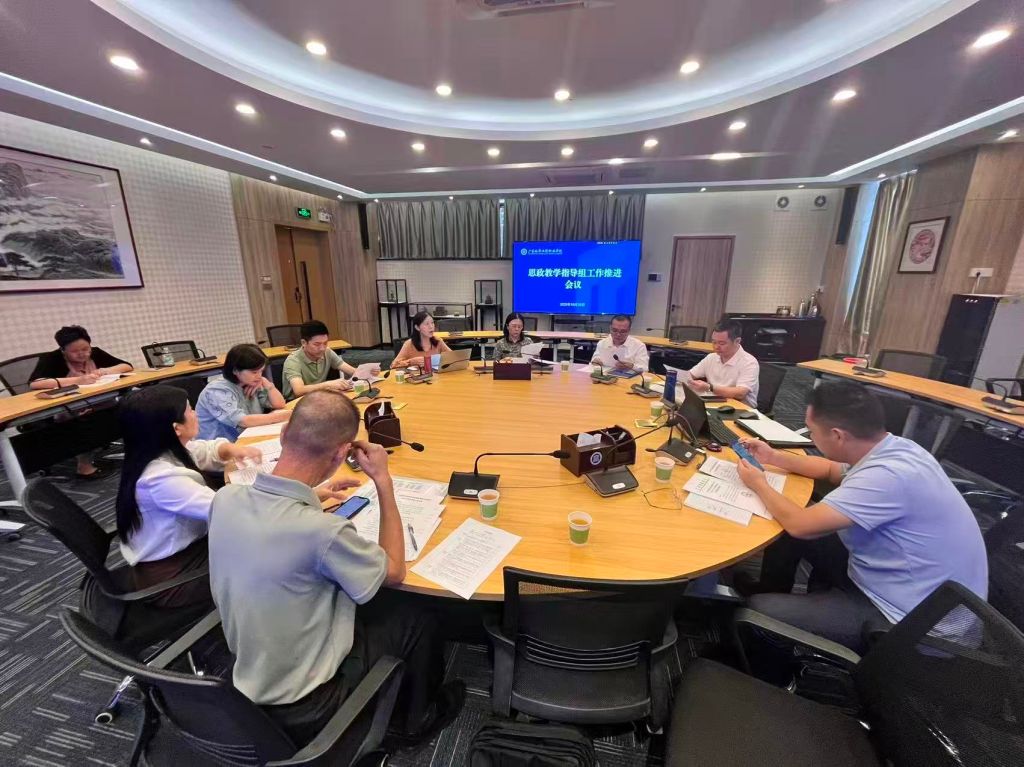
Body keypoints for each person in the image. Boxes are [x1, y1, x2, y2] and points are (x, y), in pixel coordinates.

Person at [208, 390, 464, 748]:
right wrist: (383, 482)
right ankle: (415, 721)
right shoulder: (323, 532)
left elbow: (275, 521)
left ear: (284, 434)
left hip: (246, 678)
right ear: (343, 454)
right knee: (418, 616)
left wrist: (314, 494)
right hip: (308, 702)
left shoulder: (225, 499)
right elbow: (395, 572)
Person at [734, 381, 988, 651]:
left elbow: (800, 525)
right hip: (905, 582)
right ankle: (775, 591)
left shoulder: (886, 478)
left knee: (758, 612)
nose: (811, 437)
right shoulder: (896, 448)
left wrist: (759, 484)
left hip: (914, 624)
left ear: (837, 436)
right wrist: (773, 457)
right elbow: (830, 470)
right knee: (786, 527)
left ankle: (779, 664)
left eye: (812, 432)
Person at [115, 386, 263, 607]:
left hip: (183, 551)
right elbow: (228, 510)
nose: (195, 414)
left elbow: (201, 450)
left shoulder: (155, 452)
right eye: (190, 410)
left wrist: (230, 449)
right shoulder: (159, 479)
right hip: (173, 578)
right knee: (269, 553)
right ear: (176, 428)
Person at [28, 325, 134, 479]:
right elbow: (35, 384)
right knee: (87, 421)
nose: (82, 354)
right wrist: (78, 380)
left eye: (86, 349)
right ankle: (84, 467)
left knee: (129, 408)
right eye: (75, 351)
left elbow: (127, 366)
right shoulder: (52, 358)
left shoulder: (96, 353)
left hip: (101, 401)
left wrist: (106, 371)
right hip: (68, 408)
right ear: (63, 350)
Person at [195, 344, 289, 441]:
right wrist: (280, 417)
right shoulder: (217, 390)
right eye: (254, 372)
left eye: (261, 371)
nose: (259, 376)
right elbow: (242, 421)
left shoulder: (251, 382)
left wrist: (267, 384)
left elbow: (279, 404)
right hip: (221, 445)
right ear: (235, 370)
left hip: (248, 436)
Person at [283, 320, 378, 399]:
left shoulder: (327, 352)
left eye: (325, 343)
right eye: (317, 344)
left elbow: (351, 371)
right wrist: (328, 385)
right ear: (304, 343)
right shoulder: (293, 361)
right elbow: (299, 390)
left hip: (318, 397)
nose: (322, 348)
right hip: (296, 403)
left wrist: (368, 372)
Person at [684, 319, 759, 408]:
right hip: (713, 403)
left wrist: (710, 388)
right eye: (714, 342)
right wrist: (680, 377)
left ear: (737, 341)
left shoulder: (749, 362)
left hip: (740, 409)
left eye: (722, 343)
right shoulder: (711, 357)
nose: (716, 347)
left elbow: (740, 393)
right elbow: (690, 374)